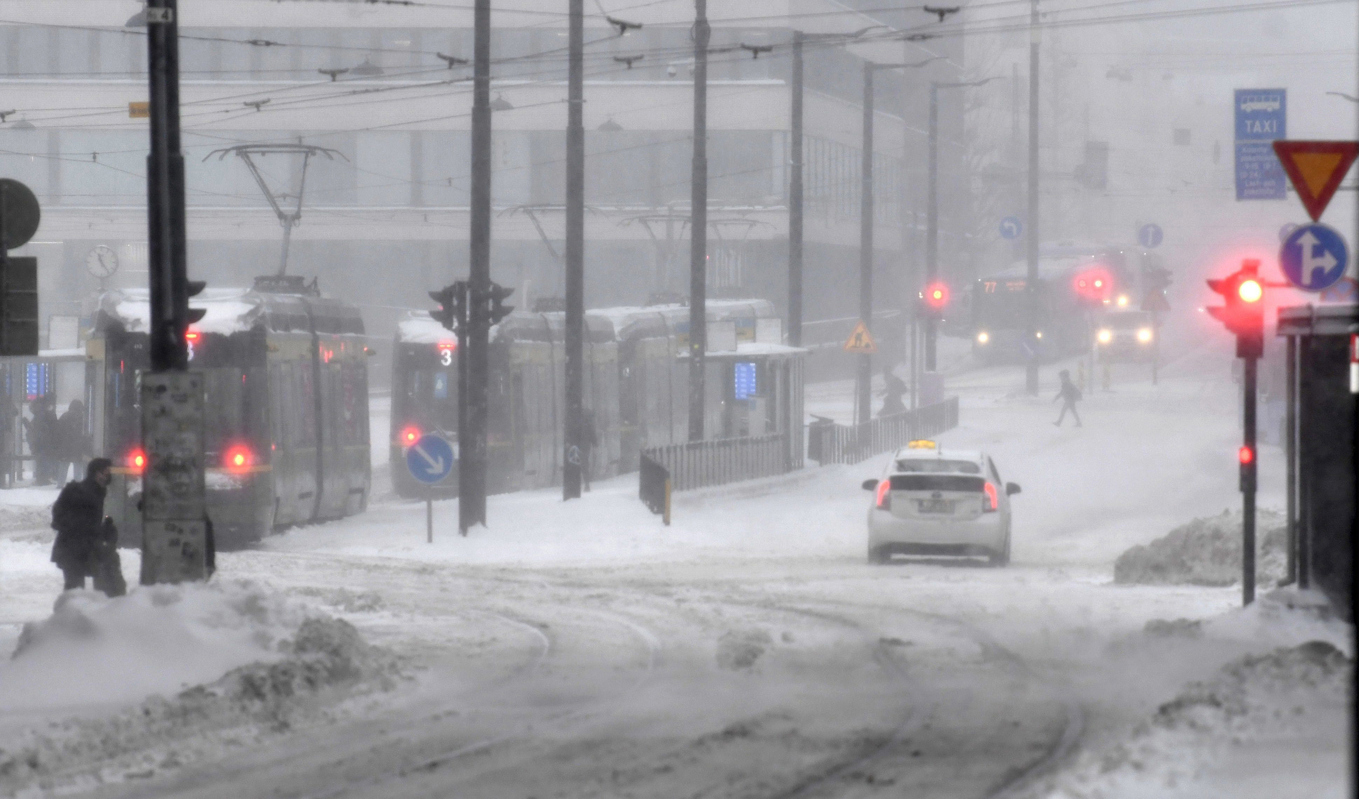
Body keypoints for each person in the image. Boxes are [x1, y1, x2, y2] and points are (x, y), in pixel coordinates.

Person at [50, 457, 120, 593]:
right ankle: (72, 612)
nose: (107, 476)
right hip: (73, 550)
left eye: (108, 473)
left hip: (80, 550)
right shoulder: (81, 492)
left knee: (78, 589)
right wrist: (101, 531)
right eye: (104, 472)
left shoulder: (97, 492)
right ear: (95, 473)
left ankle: (77, 610)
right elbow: (76, 523)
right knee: (76, 590)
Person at [55, 399, 90, 488]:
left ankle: (60, 484)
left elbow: (58, 431)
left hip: (65, 445)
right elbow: (85, 433)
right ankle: (77, 484)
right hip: (77, 446)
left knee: (64, 465)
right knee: (78, 465)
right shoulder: (82, 417)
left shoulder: (64, 416)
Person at [25, 396, 59, 485]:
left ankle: (41, 478)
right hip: (44, 443)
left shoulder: (39, 417)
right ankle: (43, 478)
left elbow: (35, 431)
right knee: (43, 460)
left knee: (41, 460)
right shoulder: (46, 415)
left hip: (40, 443)